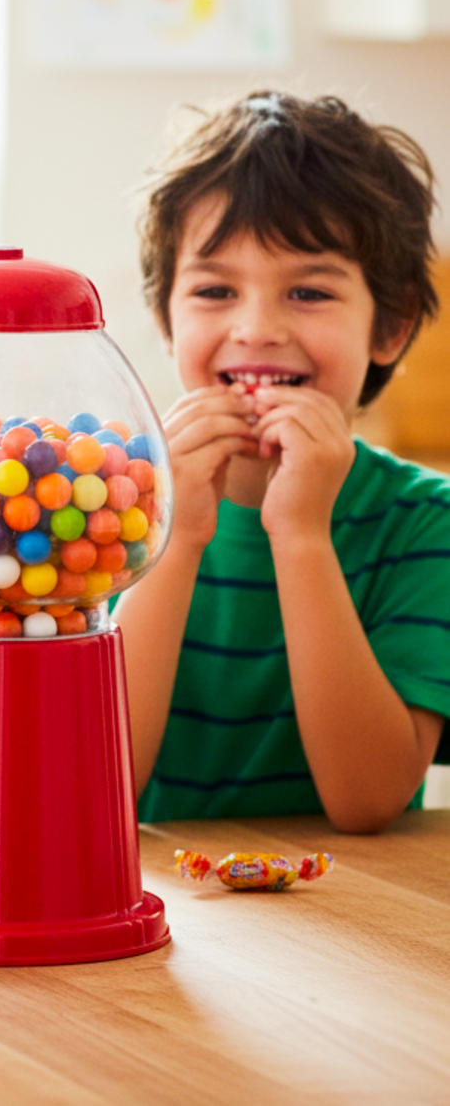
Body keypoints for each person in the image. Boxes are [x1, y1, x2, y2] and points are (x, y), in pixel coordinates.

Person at [116, 90, 450, 834]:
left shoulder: (427, 524)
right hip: (155, 894)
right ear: (165, 319)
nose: (257, 327)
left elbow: (368, 798)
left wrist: (301, 535)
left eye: (307, 291)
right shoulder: (107, 503)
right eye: (214, 290)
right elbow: (94, 779)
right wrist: (177, 536)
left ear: (391, 326)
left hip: (350, 898)